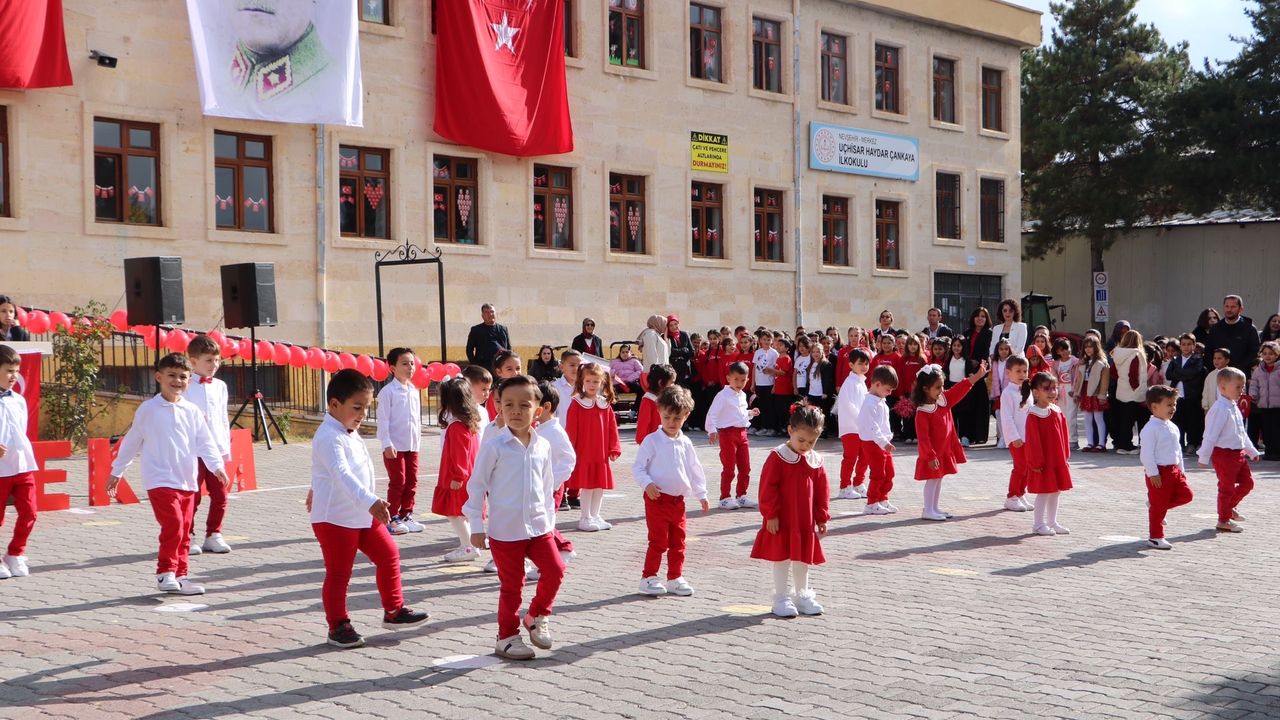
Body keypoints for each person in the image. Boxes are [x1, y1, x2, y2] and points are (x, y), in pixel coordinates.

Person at [299, 369, 428, 648]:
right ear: (334, 405)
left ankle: (393, 611)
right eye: (357, 407)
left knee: (389, 554)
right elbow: (340, 472)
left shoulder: (348, 430)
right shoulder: (328, 436)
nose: (363, 414)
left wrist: (316, 486)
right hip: (335, 518)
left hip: (362, 513)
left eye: (367, 408)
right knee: (339, 573)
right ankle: (338, 626)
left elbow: (328, 470)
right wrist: (371, 501)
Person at [108, 353, 229, 596]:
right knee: (173, 525)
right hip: (159, 480)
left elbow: (205, 442)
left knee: (185, 530)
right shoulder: (148, 409)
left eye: (183, 377)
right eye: (171, 376)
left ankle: (181, 576)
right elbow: (132, 441)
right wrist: (117, 471)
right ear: (159, 377)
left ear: (189, 380)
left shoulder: (191, 411)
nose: (177, 381)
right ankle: (165, 573)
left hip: (187, 480)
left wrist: (217, 467)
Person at [465, 375, 565, 660]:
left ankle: (536, 615)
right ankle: (506, 637)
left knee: (556, 569)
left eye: (524, 405)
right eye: (509, 405)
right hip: (505, 531)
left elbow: (547, 488)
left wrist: (550, 523)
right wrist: (475, 526)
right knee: (512, 586)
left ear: (539, 410)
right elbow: (477, 486)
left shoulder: (543, 445)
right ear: (500, 409)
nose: (516, 411)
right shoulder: (495, 446)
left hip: (538, 527)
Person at [749, 402, 830, 618]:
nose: (805, 446)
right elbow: (767, 488)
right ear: (790, 431)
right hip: (783, 519)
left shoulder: (815, 460)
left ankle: (802, 594)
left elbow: (823, 490)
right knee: (782, 556)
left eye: (812, 441)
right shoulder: (778, 456)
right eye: (801, 440)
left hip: (805, 520)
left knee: (803, 557)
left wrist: (821, 516)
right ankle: (781, 597)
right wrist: (771, 514)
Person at [633, 386, 709, 597]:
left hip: (678, 502)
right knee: (658, 541)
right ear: (660, 413)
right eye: (667, 417)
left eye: (677, 417)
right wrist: (647, 483)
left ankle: (675, 577)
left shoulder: (685, 442)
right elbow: (638, 467)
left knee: (679, 542)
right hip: (657, 499)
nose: (672, 422)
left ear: (686, 416)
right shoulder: (652, 440)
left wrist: (701, 493)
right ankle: (649, 577)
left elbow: (695, 470)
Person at [914, 360, 989, 521]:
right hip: (933, 454)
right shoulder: (922, 412)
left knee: (938, 479)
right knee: (932, 480)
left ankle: (934, 508)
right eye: (937, 387)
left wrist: (975, 377)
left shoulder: (943, 400)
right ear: (925, 389)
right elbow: (923, 438)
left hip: (943, 450)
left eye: (942, 386)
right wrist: (930, 455)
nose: (941, 390)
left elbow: (958, 390)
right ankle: (928, 509)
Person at [183, 336, 234, 556]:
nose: (214, 365)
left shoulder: (221, 386)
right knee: (193, 495)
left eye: (217, 360)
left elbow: (223, 417)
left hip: (215, 449)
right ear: (193, 362)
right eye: (209, 360)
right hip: (193, 450)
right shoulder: (185, 385)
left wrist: (225, 448)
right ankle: (189, 535)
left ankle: (214, 534)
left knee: (220, 494)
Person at [1198, 367, 1259, 534]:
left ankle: (1229, 508)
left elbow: (1241, 433)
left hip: (1238, 453)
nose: (1242, 390)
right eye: (1238, 387)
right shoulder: (1219, 409)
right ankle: (1223, 520)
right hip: (1224, 454)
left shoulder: (1233, 406)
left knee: (1248, 483)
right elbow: (1210, 435)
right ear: (1223, 387)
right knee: (1226, 488)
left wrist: (1252, 451)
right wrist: (1203, 456)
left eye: (1243, 386)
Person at [433, 377, 484, 564]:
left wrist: (457, 476)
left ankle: (468, 546)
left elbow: (460, 454)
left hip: (458, 476)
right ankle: (470, 545)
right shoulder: (468, 423)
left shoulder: (457, 426)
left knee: (454, 513)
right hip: (467, 475)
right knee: (462, 513)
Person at [565, 362, 621, 532]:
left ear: (602, 382)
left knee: (599, 486)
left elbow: (612, 429)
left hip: (601, 453)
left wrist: (614, 448)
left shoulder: (605, 404)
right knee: (587, 486)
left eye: (595, 382)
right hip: (584, 453)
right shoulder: (577, 404)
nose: (592, 385)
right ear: (582, 381)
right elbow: (571, 430)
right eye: (588, 381)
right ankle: (585, 517)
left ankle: (595, 515)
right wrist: (570, 451)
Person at [375, 347, 424, 536]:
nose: (410, 367)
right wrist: (386, 443)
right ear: (392, 367)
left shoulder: (413, 390)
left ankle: (406, 514)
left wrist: (418, 442)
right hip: (395, 446)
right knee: (398, 481)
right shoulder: (388, 392)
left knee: (411, 480)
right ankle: (391, 517)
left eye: (412, 363)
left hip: (412, 445)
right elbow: (384, 420)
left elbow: (416, 420)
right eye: (404, 363)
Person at [1140, 385, 1194, 550]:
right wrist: (1153, 473)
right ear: (1155, 407)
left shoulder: (1172, 426)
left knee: (1187, 495)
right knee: (1158, 507)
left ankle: (1156, 506)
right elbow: (1146, 454)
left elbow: (1177, 450)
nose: (1173, 408)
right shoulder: (1150, 429)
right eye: (1169, 404)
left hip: (1174, 471)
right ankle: (1156, 537)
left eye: (1174, 404)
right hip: (1159, 472)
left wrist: (1181, 470)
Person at [0, 345, 37, 578]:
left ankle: (15, 553)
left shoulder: (19, 400)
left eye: (16, 371)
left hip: (22, 466)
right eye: (9, 371)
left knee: (30, 512)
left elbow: (20, 431)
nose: (14, 376)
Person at [1023, 372, 1072, 537]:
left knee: (1055, 491)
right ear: (1036, 392)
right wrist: (1036, 462)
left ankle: (1052, 522)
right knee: (1043, 491)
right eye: (1047, 389)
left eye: (1054, 388)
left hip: (1057, 459)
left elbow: (1064, 435)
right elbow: (1033, 441)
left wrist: (1065, 456)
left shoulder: (1056, 410)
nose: (1052, 392)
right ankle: (1038, 524)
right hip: (1043, 462)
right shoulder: (1034, 414)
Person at [706, 362, 760, 510]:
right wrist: (712, 430)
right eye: (736, 379)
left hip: (742, 434)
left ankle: (741, 496)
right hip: (727, 434)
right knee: (729, 467)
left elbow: (739, 414)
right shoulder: (722, 395)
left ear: (747, 380)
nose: (739, 383)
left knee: (745, 467)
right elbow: (712, 414)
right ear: (728, 378)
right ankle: (724, 497)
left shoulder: (742, 395)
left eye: (743, 380)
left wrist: (750, 413)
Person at [858, 365, 899, 515]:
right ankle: (871, 502)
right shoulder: (869, 403)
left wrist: (887, 440)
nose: (889, 393)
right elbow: (872, 428)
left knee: (889, 472)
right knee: (878, 473)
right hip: (873, 443)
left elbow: (883, 424)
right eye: (888, 389)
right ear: (877, 384)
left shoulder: (880, 400)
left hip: (883, 443)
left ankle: (883, 499)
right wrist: (884, 442)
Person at [835, 348, 872, 500]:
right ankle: (844, 487)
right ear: (851, 365)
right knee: (850, 457)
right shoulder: (849, 383)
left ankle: (858, 483)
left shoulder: (861, 382)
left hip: (862, 427)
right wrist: (860, 419)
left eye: (866, 363)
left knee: (864, 457)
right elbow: (849, 405)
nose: (864, 367)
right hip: (851, 427)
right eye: (860, 364)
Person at [999, 355, 1033, 512]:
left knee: (1028, 467)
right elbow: (1007, 418)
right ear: (1008, 373)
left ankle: (1020, 493)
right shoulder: (1007, 393)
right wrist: (1014, 437)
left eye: (1025, 371)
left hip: (1029, 437)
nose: (1022, 374)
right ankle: (1011, 496)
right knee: (1019, 467)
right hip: (1017, 438)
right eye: (1018, 371)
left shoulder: (1027, 390)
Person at [1165, 333, 1205, 454]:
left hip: (1192, 395)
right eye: (1183, 344)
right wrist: (1183, 374)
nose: (1186, 347)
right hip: (1178, 395)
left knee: (1193, 420)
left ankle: (1193, 443)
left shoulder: (1197, 359)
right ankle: (1179, 443)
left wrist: (1180, 373)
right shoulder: (1176, 359)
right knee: (1178, 420)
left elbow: (1194, 373)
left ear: (1194, 345)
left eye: (1189, 344)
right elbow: (1169, 374)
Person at [1110, 330, 1148, 455]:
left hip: (1122, 390)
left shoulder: (1117, 353)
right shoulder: (1136, 354)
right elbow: (1134, 373)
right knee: (1134, 419)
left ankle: (1122, 444)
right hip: (1134, 391)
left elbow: (1113, 373)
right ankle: (1128, 446)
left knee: (1125, 420)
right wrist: (1135, 387)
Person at [1206, 295, 1260, 375]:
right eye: (1227, 306)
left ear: (1241, 309)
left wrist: (1240, 368)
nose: (1229, 310)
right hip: (1218, 373)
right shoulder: (1215, 329)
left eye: (1233, 307)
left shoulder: (1249, 328)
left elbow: (1254, 352)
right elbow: (1208, 351)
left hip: (1241, 374)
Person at [1247, 341, 1280, 461]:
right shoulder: (1259, 370)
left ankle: (1277, 451)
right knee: (1266, 429)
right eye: (1265, 353)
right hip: (1264, 405)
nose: (1267, 356)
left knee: (1277, 429)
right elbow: (1254, 384)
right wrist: (1253, 395)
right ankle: (1269, 451)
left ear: (1277, 355)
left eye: (1271, 353)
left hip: (1277, 405)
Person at [1078, 335, 1110, 452]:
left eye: (1091, 347)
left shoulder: (1102, 363)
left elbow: (1105, 381)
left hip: (1096, 393)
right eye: (1086, 347)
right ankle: (1090, 442)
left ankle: (1101, 443)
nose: (1088, 349)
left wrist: (1102, 395)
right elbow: (1079, 379)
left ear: (1096, 347)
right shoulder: (1083, 362)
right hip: (1086, 391)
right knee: (1087, 418)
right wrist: (1077, 392)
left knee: (1098, 418)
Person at [894, 336, 928, 443]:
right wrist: (901, 392)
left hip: (918, 392)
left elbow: (925, 376)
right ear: (907, 346)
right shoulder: (902, 359)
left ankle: (917, 436)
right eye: (910, 344)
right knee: (907, 415)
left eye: (915, 344)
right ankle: (908, 435)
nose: (912, 347)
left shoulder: (922, 359)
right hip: (907, 391)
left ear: (918, 345)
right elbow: (899, 376)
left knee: (918, 415)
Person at [635, 364, 675, 445]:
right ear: (660, 383)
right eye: (672, 382)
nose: (673, 386)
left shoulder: (666, 398)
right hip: (653, 446)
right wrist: (645, 445)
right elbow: (643, 426)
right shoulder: (648, 400)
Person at [465, 303, 511, 371]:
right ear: (482, 316)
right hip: (483, 367)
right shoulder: (476, 330)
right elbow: (469, 349)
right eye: (487, 312)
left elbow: (508, 348)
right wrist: (475, 365)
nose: (490, 314)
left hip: (500, 366)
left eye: (492, 311)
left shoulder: (503, 329)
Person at [750, 330, 779, 436]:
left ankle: (771, 428)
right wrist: (753, 383)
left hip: (769, 384)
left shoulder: (774, 353)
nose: (766, 341)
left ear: (772, 341)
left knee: (769, 407)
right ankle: (763, 426)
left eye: (768, 339)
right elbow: (754, 368)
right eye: (764, 339)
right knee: (761, 406)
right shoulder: (758, 352)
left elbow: (776, 370)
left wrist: (775, 385)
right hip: (759, 384)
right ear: (760, 340)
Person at [486, 350, 523, 420]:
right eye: (509, 369)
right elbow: (493, 421)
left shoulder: (526, 391)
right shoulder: (494, 395)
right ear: (499, 371)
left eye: (518, 368)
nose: (515, 373)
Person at [637, 315, 671, 384]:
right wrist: (658, 373)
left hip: (661, 373)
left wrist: (666, 339)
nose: (666, 327)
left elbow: (667, 355)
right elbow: (652, 355)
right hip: (655, 375)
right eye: (664, 324)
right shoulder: (650, 334)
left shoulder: (657, 335)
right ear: (658, 323)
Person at [665, 315, 694, 386]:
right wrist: (683, 350)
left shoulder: (684, 334)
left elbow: (692, 351)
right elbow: (669, 352)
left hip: (685, 368)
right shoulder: (666, 336)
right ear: (667, 327)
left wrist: (680, 353)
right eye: (671, 325)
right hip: (674, 369)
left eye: (675, 324)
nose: (674, 327)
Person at [1202, 348, 1230, 413]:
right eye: (1214, 358)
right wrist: (1205, 407)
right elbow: (1205, 393)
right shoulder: (1210, 375)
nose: (1216, 361)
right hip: (1213, 409)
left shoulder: (1233, 375)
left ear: (1227, 360)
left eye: (1219, 358)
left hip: (1228, 409)